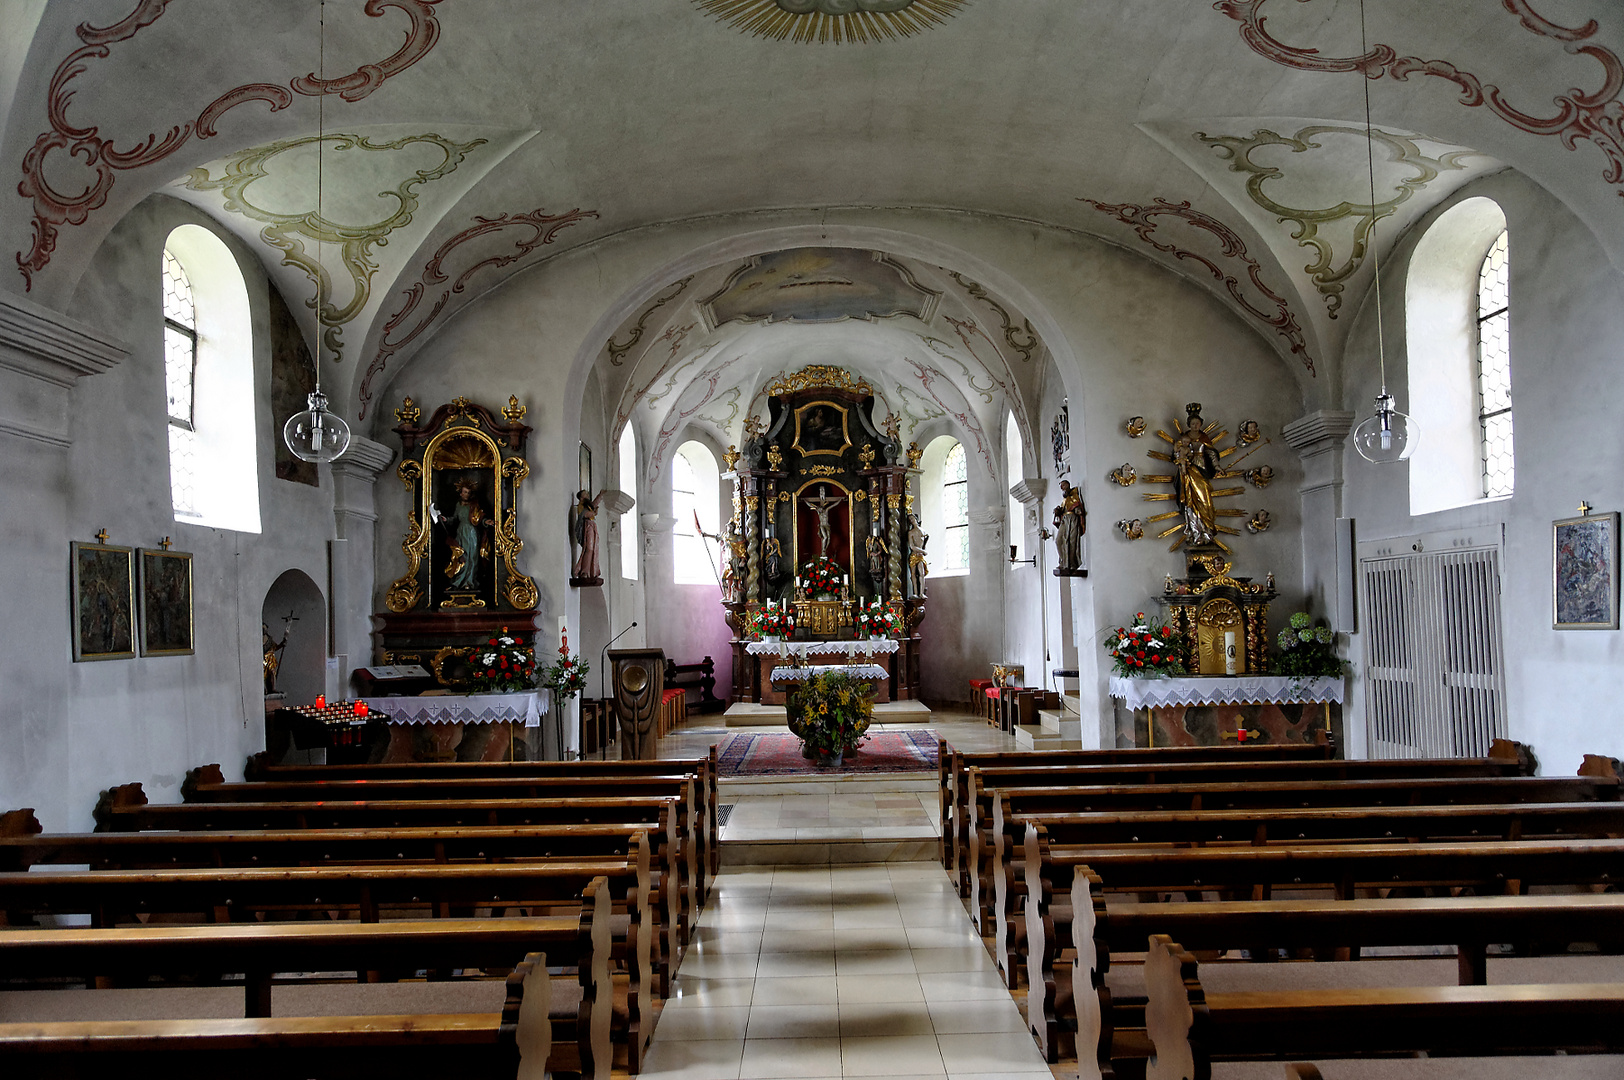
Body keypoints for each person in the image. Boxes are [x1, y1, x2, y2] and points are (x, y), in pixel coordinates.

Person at [1173, 403, 1220, 546]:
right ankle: (1195, 532)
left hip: (1202, 469)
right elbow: (1176, 453)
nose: (1195, 426)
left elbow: (1211, 453)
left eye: (1197, 423)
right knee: (1190, 501)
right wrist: (1181, 458)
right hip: (1188, 470)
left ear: (1200, 424)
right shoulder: (1184, 437)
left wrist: (1217, 466)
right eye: (1193, 423)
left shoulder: (1204, 437)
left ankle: (1207, 530)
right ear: (1189, 424)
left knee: (1205, 498)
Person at [571, 488, 604, 580]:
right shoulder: (581, 506)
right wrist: (593, 513)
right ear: (581, 498)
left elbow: (594, 505)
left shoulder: (587, 505)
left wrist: (600, 495)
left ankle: (590, 571)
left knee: (593, 549)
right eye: (585, 494)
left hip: (592, 526)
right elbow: (585, 514)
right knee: (588, 548)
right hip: (587, 526)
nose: (588, 495)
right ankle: (584, 571)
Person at [1052, 479, 1086, 569]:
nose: (1061, 488)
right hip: (1064, 520)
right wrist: (1057, 511)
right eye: (1061, 486)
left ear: (1067, 485)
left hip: (1072, 519)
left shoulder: (1074, 495)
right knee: (1059, 541)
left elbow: (1077, 506)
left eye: (1063, 485)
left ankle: (1071, 564)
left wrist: (1077, 510)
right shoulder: (1065, 499)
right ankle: (1063, 562)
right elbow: (1063, 509)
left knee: (1071, 542)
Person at [906, 513, 929, 598]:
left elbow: (924, 544)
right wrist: (922, 551)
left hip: (920, 556)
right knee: (913, 574)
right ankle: (915, 592)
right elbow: (912, 546)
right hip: (914, 555)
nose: (912, 520)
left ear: (916, 519)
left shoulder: (923, 531)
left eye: (912, 518)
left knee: (922, 573)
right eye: (910, 520)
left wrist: (923, 551)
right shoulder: (910, 532)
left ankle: (921, 593)